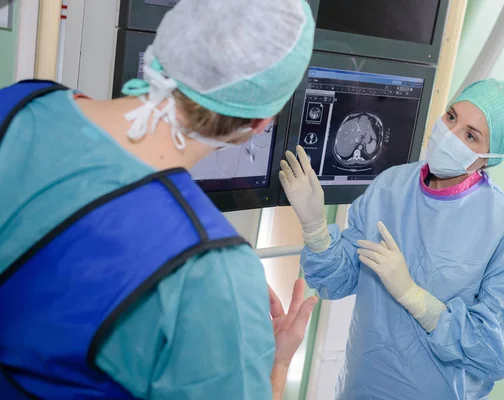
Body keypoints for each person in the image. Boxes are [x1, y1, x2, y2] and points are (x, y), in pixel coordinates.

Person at [0, 0, 317, 398]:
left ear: (171, 40)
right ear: (260, 123)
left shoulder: (20, 103)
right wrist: (277, 363)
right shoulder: (207, 270)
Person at [280, 79, 504, 399]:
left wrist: (416, 298)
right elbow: (340, 279)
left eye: (471, 135)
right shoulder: (391, 186)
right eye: (451, 117)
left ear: (489, 156)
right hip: (360, 389)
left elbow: (492, 353)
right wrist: (315, 227)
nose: (451, 134)